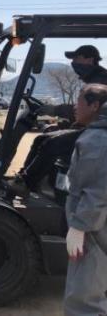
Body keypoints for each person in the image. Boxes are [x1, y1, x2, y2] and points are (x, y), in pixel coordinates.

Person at [8, 45, 107, 195]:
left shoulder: (100, 82)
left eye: (76, 58)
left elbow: (89, 111)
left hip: (98, 134)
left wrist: (55, 110)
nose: (73, 63)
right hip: (92, 129)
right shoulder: (93, 79)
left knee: (52, 143)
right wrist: (64, 124)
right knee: (42, 138)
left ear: (89, 60)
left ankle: (26, 183)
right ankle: (25, 179)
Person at [63, 84, 107, 316]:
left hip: (93, 230)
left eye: (80, 100)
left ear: (94, 105)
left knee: (84, 300)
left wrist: (79, 226)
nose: (75, 105)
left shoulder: (99, 139)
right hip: (96, 225)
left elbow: (98, 190)